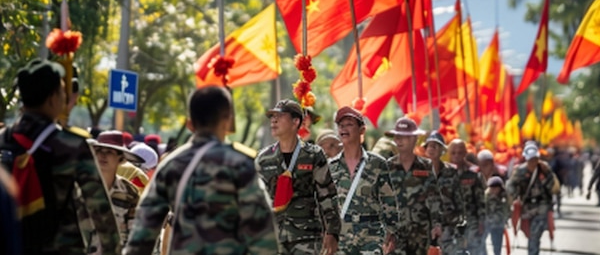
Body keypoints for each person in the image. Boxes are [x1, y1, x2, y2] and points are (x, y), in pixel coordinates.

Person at [124, 85, 277, 255]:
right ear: (227, 121)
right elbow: (262, 232)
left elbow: (142, 233)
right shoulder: (239, 164)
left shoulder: (171, 165)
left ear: (190, 123)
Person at [0, 58, 120, 255]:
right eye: (62, 92)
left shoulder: (3, 139)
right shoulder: (73, 145)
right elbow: (101, 212)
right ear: (52, 99)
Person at [256, 99, 341, 255]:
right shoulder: (263, 158)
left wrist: (333, 232)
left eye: (280, 116)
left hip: (306, 237)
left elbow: (327, 196)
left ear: (295, 121)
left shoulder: (313, 154)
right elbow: (257, 200)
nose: (273, 120)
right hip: (273, 237)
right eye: (272, 116)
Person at [329, 106, 398, 255]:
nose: (344, 129)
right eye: (341, 125)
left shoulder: (377, 164)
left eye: (349, 124)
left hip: (371, 236)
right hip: (341, 237)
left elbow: (389, 202)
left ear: (362, 130)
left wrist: (391, 233)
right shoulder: (330, 166)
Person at [385, 116, 440, 255]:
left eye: (404, 137)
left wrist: (437, 224)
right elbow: (381, 200)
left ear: (415, 139)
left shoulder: (425, 166)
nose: (399, 140)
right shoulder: (387, 167)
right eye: (397, 137)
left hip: (420, 232)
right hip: (394, 234)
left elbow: (434, 197)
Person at [89, 130, 143, 246]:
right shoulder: (81, 186)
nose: (102, 155)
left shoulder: (130, 193)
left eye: (109, 152)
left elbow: (134, 234)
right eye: (98, 151)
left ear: (120, 158)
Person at [506, 141, 555, 255]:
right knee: (529, 234)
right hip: (526, 208)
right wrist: (515, 196)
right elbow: (510, 185)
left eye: (535, 159)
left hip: (541, 207)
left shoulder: (544, 169)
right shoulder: (520, 171)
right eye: (530, 160)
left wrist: (545, 177)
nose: (533, 162)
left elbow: (553, 185)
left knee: (535, 235)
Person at [422, 130, 465, 255]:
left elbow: (459, 200)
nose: (431, 148)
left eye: (435, 146)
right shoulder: (417, 171)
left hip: (448, 228)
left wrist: (458, 223)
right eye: (429, 145)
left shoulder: (450, 172)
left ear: (442, 150)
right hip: (425, 228)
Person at [448, 138, 485, 254]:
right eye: (453, 153)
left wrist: (482, 221)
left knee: (476, 250)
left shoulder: (473, 173)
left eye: (459, 153)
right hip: (452, 223)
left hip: (472, 221)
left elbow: (481, 200)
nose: (456, 156)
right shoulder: (444, 172)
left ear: (465, 153)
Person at [483, 175, 510, 255]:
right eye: (492, 188)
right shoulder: (486, 196)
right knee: (481, 243)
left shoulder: (504, 197)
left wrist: (504, 220)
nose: (494, 190)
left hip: (498, 225)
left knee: (497, 246)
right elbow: (483, 208)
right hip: (487, 223)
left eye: (496, 188)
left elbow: (506, 210)